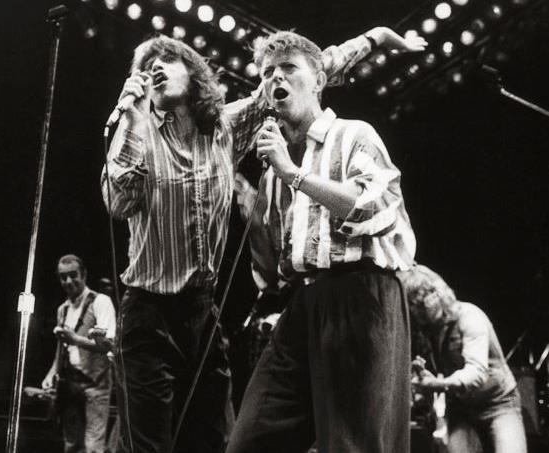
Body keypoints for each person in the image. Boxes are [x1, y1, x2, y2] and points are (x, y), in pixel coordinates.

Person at [101, 28, 426, 453]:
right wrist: (132, 120)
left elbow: (314, 67)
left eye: (166, 59)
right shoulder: (141, 133)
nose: (154, 68)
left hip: (232, 307)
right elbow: (117, 201)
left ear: (195, 74)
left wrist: (378, 37)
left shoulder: (232, 128)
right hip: (153, 309)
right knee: (192, 443)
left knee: (229, 439)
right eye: (146, 66)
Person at [225, 30, 417, 453]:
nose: (277, 77)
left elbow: (378, 204)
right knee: (250, 441)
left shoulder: (352, 134)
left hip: (361, 295)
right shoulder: (273, 163)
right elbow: (270, 266)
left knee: (354, 444)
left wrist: (294, 174)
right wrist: (251, 208)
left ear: (317, 80)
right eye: (268, 72)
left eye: (289, 68)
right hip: (303, 303)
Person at [397, 264, 527, 453]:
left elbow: (477, 372)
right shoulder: (427, 330)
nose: (414, 314)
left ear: (432, 297)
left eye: (415, 305)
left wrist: (437, 384)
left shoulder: (470, 317)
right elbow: (436, 376)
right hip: (461, 408)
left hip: (498, 404)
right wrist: (424, 377)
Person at [42, 254, 116, 453]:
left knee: (93, 447)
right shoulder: (62, 309)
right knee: (72, 445)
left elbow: (109, 344)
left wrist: (76, 339)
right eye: (62, 277)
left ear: (84, 274)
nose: (68, 281)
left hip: (96, 384)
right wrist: (51, 374)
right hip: (70, 384)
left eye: (73, 275)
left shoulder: (101, 302)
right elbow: (62, 348)